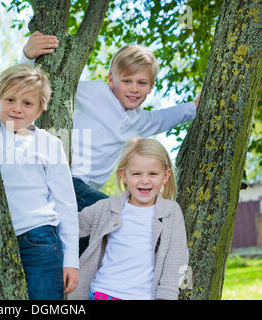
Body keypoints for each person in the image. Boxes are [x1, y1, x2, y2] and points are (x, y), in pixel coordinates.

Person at [22, 31, 200, 253]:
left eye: (141, 82)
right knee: (120, 215)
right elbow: (36, 87)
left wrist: (194, 107)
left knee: (86, 247)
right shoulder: (93, 93)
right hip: (63, 180)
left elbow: (163, 119)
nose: (134, 89)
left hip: (82, 196)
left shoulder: (138, 120)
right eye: (126, 81)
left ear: (151, 86)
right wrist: (28, 57)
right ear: (111, 79)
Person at [0, 63, 79, 299]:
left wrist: (71, 261)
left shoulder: (49, 143)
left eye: (27, 103)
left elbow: (66, 204)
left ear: (39, 110)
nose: (17, 108)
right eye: (10, 100)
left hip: (39, 240)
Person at [68, 137, 189, 300]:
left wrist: (167, 296)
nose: (145, 180)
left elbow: (176, 258)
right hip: (102, 294)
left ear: (165, 176)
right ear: (124, 175)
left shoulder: (170, 212)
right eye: (136, 174)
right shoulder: (107, 208)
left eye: (153, 174)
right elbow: (71, 227)